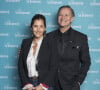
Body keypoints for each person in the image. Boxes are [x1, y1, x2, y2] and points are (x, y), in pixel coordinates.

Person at [46, 5, 91, 90]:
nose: (63, 17)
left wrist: (78, 82)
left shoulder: (81, 38)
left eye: (66, 15)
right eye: (60, 15)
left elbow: (86, 62)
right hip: (51, 85)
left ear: (72, 18)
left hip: (71, 86)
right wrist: (23, 51)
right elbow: (40, 56)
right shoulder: (48, 37)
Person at [18, 14, 53, 90]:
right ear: (31, 27)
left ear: (45, 28)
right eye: (35, 26)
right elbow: (21, 67)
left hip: (44, 85)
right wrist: (27, 85)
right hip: (28, 84)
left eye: (41, 26)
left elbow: (53, 67)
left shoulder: (50, 44)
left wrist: (43, 86)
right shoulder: (25, 43)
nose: (38, 29)